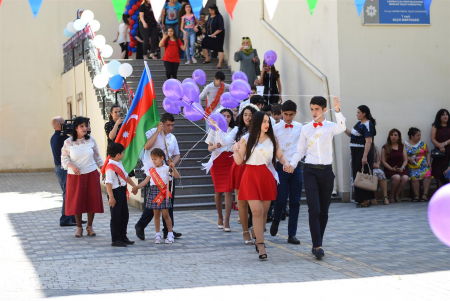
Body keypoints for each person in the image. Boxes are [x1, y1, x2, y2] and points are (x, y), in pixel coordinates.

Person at [290, 96, 345, 259]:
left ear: (324, 109)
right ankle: (317, 245)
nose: (314, 112)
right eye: (312, 109)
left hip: (327, 171)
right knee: (314, 208)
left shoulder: (330, 127)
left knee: (324, 211)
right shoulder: (306, 129)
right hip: (310, 171)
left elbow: (342, 127)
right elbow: (300, 151)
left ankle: (318, 241)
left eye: (317, 109)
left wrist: (337, 111)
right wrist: (292, 164)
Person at [233, 111, 292, 260]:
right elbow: (240, 161)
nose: (267, 124)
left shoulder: (273, 139)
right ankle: (260, 244)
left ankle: (257, 233)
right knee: (257, 211)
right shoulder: (247, 139)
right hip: (251, 176)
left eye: (268, 122)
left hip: (267, 176)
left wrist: (287, 163)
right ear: (257, 122)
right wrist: (236, 151)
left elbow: (280, 155)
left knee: (264, 212)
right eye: (264, 121)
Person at [216, 104, 258, 245]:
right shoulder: (236, 130)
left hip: (255, 166)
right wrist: (217, 128)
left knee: (256, 201)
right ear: (241, 116)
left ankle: (254, 227)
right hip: (240, 166)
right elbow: (225, 142)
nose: (248, 117)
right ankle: (245, 231)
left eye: (250, 115)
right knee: (242, 202)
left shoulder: (259, 129)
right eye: (245, 114)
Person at [135, 113, 182, 240]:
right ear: (162, 123)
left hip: (167, 172)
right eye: (168, 125)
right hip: (154, 173)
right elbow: (147, 146)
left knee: (168, 203)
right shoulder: (152, 132)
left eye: (172, 125)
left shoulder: (172, 138)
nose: (170, 128)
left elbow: (177, 154)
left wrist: (173, 163)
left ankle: (168, 230)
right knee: (154, 205)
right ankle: (140, 225)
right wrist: (157, 131)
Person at [61, 117, 104, 238]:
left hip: (91, 173)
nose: (85, 128)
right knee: (77, 201)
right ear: (76, 128)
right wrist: (71, 165)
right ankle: (79, 227)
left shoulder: (91, 140)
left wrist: (104, 171)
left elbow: (97, 157)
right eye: (82, 126)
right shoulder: (68, 142)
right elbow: (64, 158)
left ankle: (90, 226)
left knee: (92, 200)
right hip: (75, 176)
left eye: (86, 126)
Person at [270, 100, 303, 244]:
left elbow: (303, 148)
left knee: (295, 202)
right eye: (285, 114)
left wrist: (294, 163)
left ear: (295, 113)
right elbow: (274, 149)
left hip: (296, 167)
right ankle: (276, 220)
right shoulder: (275, 128)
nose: (288, 117)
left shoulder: (300, 128)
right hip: (281, 167)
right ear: (281, 113)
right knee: (281, 199)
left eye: (291, 115)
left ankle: (292, 234)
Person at [133, 148, 180, 244]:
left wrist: (173, 167)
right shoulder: (151, 170)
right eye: (152, 159)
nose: (153, 161)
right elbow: (146, 181)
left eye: (155, 159)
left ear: (162, 158)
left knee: (166, 214)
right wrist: (137, 187)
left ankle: (170, 234)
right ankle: (157, 234)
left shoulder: (167, 168)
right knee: (156, 214)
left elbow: (177, 176)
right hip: (154, 191)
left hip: (163, 192)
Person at [203, 108, 235, 231]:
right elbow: (209, 148)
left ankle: (227, 220)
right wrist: (215, 146)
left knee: (228, 190)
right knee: (218, 191)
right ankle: (220, 217)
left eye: (228, 116)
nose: (226, 118)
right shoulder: (213, 130)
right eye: (224, 116)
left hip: (230, 160)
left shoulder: (234, 130)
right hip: (217, 161)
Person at [105, 143, 138, 247]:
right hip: (115, 192)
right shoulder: (110, 167)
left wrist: (134, 185)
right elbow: (108, 183)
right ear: (118, 154)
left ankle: (123, 236)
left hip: (122, 191)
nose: (123, 154)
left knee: (124, 215)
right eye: (122, 152)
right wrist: (111, 197)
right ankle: (115, 239)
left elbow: (125, 176)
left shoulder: (119, 163)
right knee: (116, 217)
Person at [344, 105, 376, 208]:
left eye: (358, 112)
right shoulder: (359, 123)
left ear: (364, 113)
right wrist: (343, 127)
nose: (357, 114)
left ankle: (366, 200)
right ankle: (360, 199)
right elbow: (351, 135)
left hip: (362, 152)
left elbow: (369, 141)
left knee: (364, 175)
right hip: (355, 152)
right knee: (357, 175)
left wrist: (364, 157)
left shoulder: (368, 124)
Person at [51, 117, 78, 227]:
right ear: (59, 125)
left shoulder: (55, 137)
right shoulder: (62, 139)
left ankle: (72, 217)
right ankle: (65, 219)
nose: (67, 126)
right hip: (63, 169)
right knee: (67, 194)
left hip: (60, 169)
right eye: (64, 124)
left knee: (69, 194)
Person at [381, 129, 409, 203]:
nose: (393, 137)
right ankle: (391, 194)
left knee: (405, 178)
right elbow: (383, 161)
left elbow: (405, 160)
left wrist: (403, 167)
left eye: (395, 135)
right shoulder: (385, 147)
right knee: (397, 177)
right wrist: (391, 168)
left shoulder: (402, 146)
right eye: (391, 135)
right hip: (389, 169)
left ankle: (397, 194)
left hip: (400, 168)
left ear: (398, 137)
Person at [405, 127, 432, 202]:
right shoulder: (404, 145)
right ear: (412, 136)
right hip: (412, 166)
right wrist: (409, 159)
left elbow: (427, 153)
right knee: (414, 175)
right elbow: (403, 156)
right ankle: (417, 195)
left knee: (427, 173)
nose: (419, 137)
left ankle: (425, 194)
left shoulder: (423, 144)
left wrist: (429, 162)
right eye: (418, 135)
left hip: (424, 165)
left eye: (420, 135)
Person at [201, 4, 225, 69]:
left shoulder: (219, 17)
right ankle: (207, 58)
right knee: (204, 43)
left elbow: (221, 27)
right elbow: (208, 24)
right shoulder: (209, 16)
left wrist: (214, 34)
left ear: (215, 10)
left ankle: (219, 64)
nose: (210, 12)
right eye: (209, 10)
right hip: (209, 35)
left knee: (219, 48)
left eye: (211, 10)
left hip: (218, 35)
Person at [430, 109, 450, 187]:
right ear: (439, 117)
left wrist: (444, 144)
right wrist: (439, 146)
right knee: (438, 173)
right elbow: (432, 139)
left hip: (449, 152)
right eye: (443, 115)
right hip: (439, 153)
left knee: (447, 172)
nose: (445, 116)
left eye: (447, 115)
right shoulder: (435, 127)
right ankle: (440, 192)